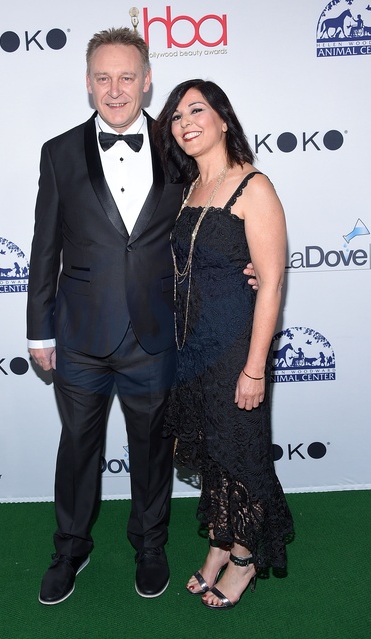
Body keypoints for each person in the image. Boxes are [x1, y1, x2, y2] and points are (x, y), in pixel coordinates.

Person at [27, 29, 257, 606]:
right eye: (103, 77)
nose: (115, 89)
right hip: (79, 335)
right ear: (87, 83)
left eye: (126, 77)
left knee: (153, 451)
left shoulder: (179, 146)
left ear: (147, 80)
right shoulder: (58, 152)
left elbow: (220, 201)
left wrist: (248, 259)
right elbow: (43, 247)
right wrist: (38, 329)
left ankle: (151, 547)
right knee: (77, 449)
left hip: (157, 333)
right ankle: (70, 549)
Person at [154, 79, 294, 610]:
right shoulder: (189, 188)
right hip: (192, 348)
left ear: (223, 119)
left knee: (241, 452)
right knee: (213, 452)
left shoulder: (253, 186)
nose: (185, 123)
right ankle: (219, 541)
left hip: (236, 347)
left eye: (197, 110)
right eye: (176, 116)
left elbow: (271, 284)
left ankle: (245, 557)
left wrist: (255, 368)